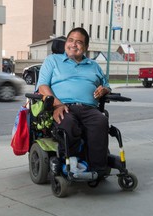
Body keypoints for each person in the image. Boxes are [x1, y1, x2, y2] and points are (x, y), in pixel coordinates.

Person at [36, 27, 111, 177]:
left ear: (86, 47)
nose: (73, 44)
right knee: (68, 123)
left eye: (79, 42)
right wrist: (57, 104)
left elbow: (107, 85)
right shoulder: (53, 60)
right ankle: (72, 162)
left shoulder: (93, 65)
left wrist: (104, 90)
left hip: (89, 108)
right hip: (63, 106)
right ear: (65, 43)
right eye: (70, 40)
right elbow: (42, 85)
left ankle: (98, 169)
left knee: (101, 122)